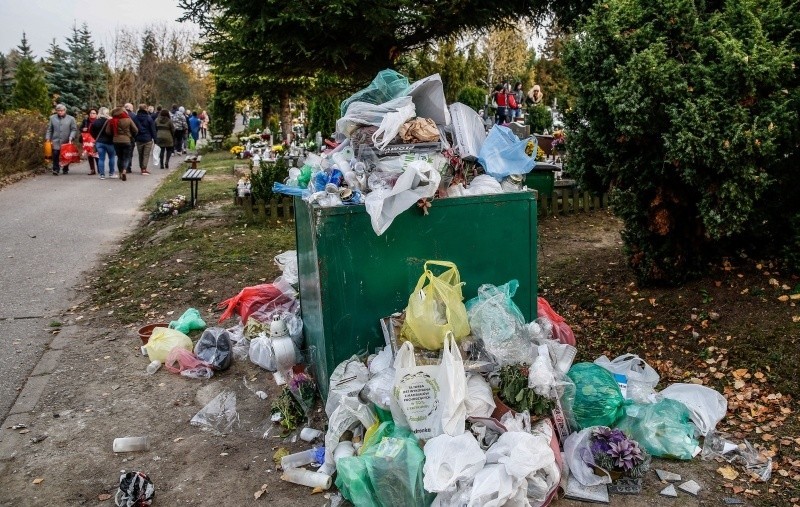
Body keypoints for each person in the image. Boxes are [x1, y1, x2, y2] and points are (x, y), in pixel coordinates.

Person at [105, 106, 138, 181]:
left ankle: (120, 173)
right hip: (127, 140)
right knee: (126, 157)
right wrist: (131, 135)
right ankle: (124, 171)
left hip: (116, 141)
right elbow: (136, 130)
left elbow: (108, 132)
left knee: (119, 157)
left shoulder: (112, 120)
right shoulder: (128, 119)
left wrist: (114, 134)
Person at [45, 103, 78, 175]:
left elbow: (74, 129)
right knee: (55, 154)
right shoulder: (52, 118)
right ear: (56, 111)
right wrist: (48, 138)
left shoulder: (71, 118)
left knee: (65, 155)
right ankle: (55, 169)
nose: (60, 112)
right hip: (55, 140)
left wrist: (71, 137)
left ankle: (65, 168)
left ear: (65, 110)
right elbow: (49, 129)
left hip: (66, 140)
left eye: (62, 111)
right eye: (58, 111)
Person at [91, 107, 116, 179]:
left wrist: (96, 138)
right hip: (110, 142)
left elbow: (92, 132)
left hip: (99, 142)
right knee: (111, 157)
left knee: (101, 158)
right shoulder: (110, 121)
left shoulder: (95, 121)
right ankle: (111, 173)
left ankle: (102, 174)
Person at [135, 103, 157, 175]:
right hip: (148, 138)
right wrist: (155, 139)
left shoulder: (135, 118)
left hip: (139, 138)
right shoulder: (149, 118)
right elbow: (152, 129)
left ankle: (141, 167)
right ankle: (144, 169)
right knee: (146, 154)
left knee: (140, 154)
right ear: (145, 109)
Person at [80, 108, 99, 175]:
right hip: (87, 139)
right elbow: (80, 128)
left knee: (96, 155)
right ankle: (92, 169)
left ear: (97, 114)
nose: (92, 114)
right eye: (91, 113)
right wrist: (83, 129)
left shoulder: (98, 121)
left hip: (96, 139)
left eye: (94, 113)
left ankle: (99, 168)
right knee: (90, 155)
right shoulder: (86, 121)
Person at [123, 103, 140, 173]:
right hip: (130, 137)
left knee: (122, 153)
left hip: (119, 138)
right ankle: (128, 167)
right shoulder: (134, 116)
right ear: (130, 108)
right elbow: (136, 128)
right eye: (132, 108)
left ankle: (122, 167)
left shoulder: (118, 115)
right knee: (129, 153)